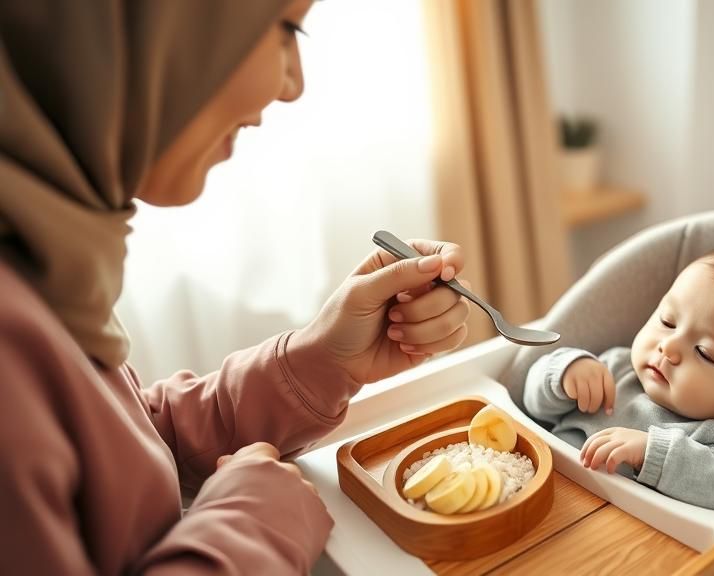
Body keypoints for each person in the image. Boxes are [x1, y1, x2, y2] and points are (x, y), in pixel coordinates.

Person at [0, 1, 471, 573]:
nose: (292, 85)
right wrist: (256, 525)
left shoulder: (45, 260)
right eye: (285, 29)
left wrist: (321, 362)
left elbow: (126, 447)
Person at [523, 245, 714, 513]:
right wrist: (563, 373)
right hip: (535, 489)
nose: (669, 347)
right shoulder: (614, 368)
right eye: (668, 321)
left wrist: (651, 453)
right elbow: (534, 407)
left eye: (705, 353)